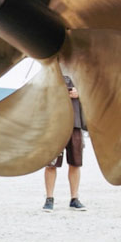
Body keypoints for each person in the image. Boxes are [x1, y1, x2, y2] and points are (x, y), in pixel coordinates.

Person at [43, 75, 87, 212]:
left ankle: (74, 198)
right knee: (51, 164)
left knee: (75, 163)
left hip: (75, 123)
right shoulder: (50, 69)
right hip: (55, 123)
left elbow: (93, 93)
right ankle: (49, 199)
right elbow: (41, 94)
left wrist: (80, 93)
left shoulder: (79, 69)